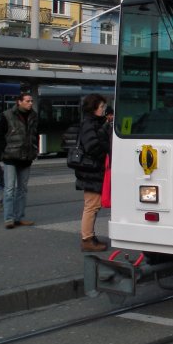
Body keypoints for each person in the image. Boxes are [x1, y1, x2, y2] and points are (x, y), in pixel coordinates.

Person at [0, 92, 39, 229]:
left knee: (22, 189)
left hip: (26, 157)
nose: (30, 103)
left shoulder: (34, 116)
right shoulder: (7, 115)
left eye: (31, 101)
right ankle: (9, 219)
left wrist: (34, 148)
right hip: (11, 157)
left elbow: (35, 133)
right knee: (9, 189)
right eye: (27, 101)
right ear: (19, 102)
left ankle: (19, 217)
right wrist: (4, 151)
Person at [74, 93, 110, 252]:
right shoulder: (89, 124)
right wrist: (106, 154)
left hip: (93, 170)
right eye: (101, 107)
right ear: (94, 108)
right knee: (92, 206)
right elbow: (92, 147)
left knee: (92, 205)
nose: (103, 110)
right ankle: (87, 239)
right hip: (92, 170)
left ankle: (89, 235)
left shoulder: (94, 122)